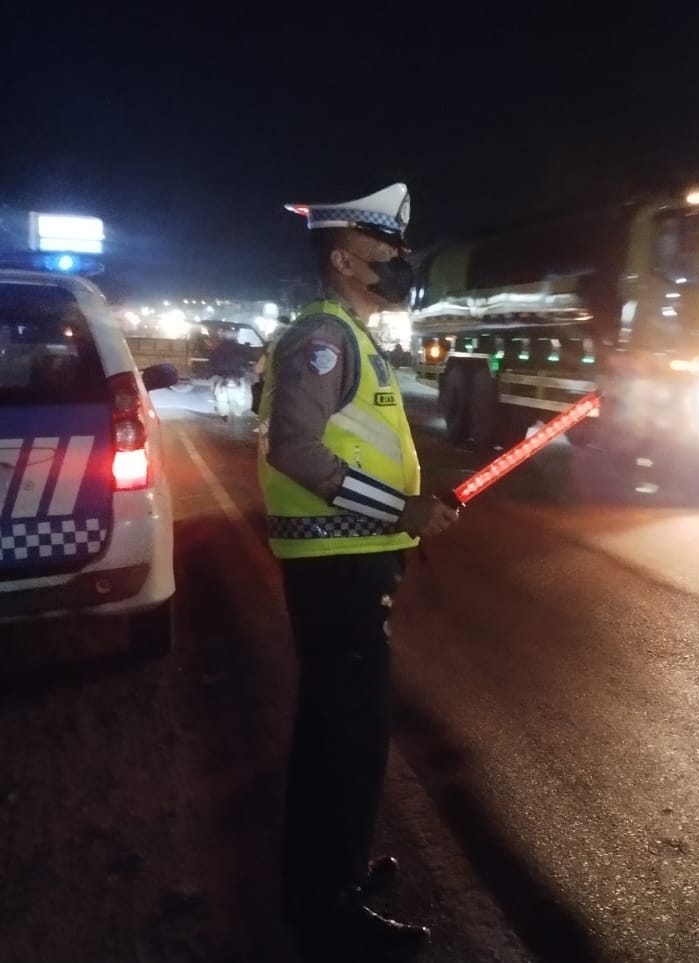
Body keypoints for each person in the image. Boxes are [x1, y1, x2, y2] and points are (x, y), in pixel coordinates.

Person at [258, 183, 458, 958]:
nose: (399, 266)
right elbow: (296, 448)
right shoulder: (324, 335)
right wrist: (399, 510)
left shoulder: (351, 334)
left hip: (354, 561)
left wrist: (409, 510)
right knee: (341, 740)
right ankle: (324, 912)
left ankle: (333, 875)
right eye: (386, 253)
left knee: (349, 735)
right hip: (335, 567)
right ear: (345, 259)